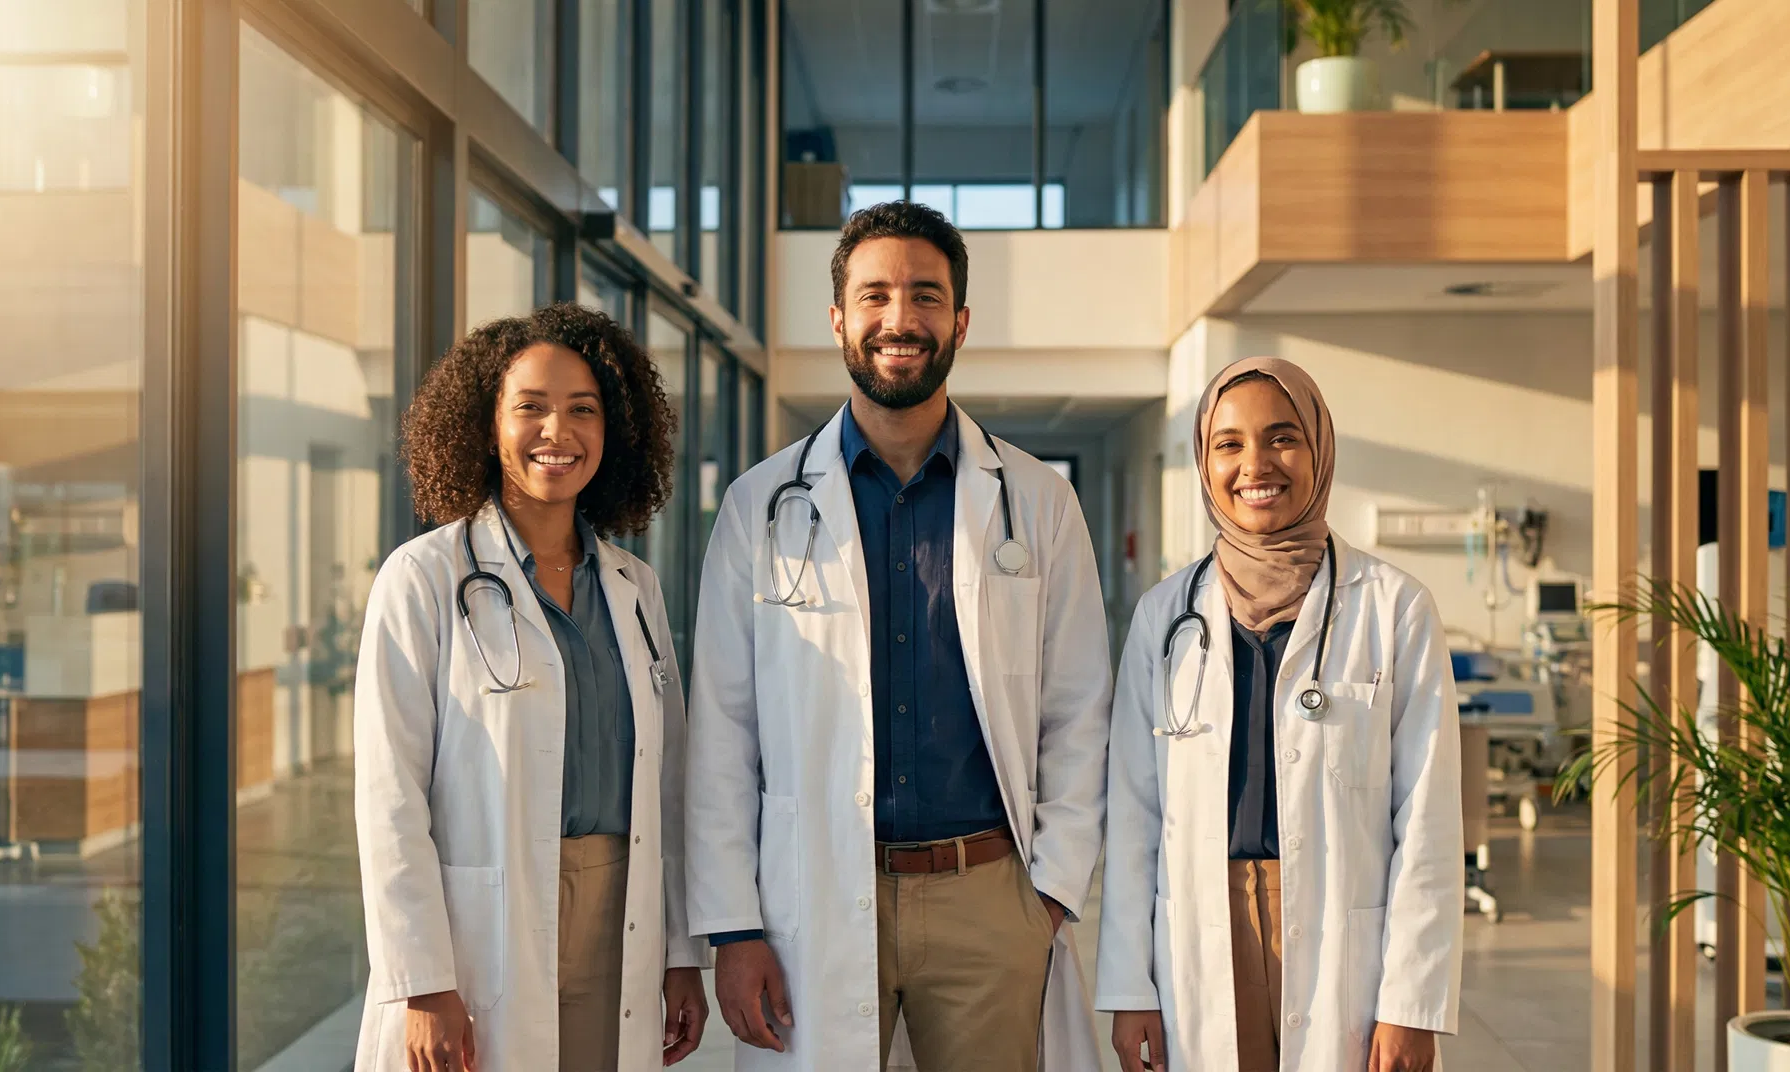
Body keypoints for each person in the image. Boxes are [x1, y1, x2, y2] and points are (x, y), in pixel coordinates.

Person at [685, 201, 1112, 1072]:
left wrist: (1051, 896)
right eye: (875, 294)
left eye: (925, 295)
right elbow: (723, 731)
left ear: (959, 321)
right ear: (839, 318)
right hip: (813, 888)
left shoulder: (1036, 500)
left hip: (990, 894)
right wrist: (733, 926)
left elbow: (1079, 709)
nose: (900, 319)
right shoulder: (760, 507)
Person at [351, 303, 710, 1072]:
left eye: (584, 410)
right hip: (487, 929)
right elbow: (390, 798)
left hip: (622, 916)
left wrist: (683, 952)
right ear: (487, 426)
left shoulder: (633, 586)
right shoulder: (424, 580)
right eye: (531, 408)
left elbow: (669, 782)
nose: (559, 431)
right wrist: (423, 983)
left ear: (612, 433)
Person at [1095, 358, 1462, 1072]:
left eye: (1281, 437)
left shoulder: (1394, 607)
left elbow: (1428, 823)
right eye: (1228, 443)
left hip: (1340, 934)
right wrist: (1127, 986)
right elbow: (1135, 816)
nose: (1254, 464)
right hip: (1202, 929)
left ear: (1319, 449)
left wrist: (1411, 1003)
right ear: (1205, 461)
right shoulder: (1164, 615)